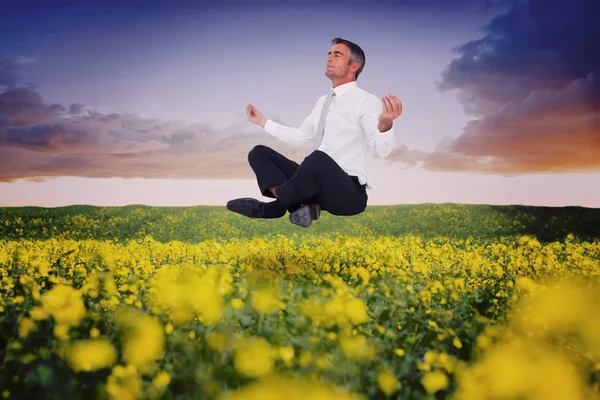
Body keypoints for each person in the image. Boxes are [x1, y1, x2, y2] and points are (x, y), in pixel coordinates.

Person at [226, 37, 402, 227]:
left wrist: (385, 126)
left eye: (337, 54)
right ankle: (301, 205)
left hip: (348, 194)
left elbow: (382, 150)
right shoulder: (323, 102)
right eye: (328, 53)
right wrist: (263, 122)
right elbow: (302, 138)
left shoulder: (365, 101)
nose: (329, 58)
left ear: (354, 66)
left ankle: (273, 208)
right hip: (315, 183)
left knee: (318, 159)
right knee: (259, 153)